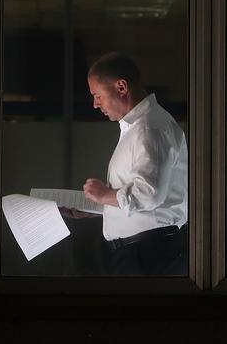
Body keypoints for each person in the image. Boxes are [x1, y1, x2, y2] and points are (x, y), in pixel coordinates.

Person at [63, 52, 188, 275]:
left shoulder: (150, 127)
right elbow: (141, 198)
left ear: (121, 87)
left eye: (97, 95)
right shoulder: (139, 127)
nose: (94, 104)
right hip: (143, 252)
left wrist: (103, 195)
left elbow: (149, 194)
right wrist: (98, 208)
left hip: (149, 254)